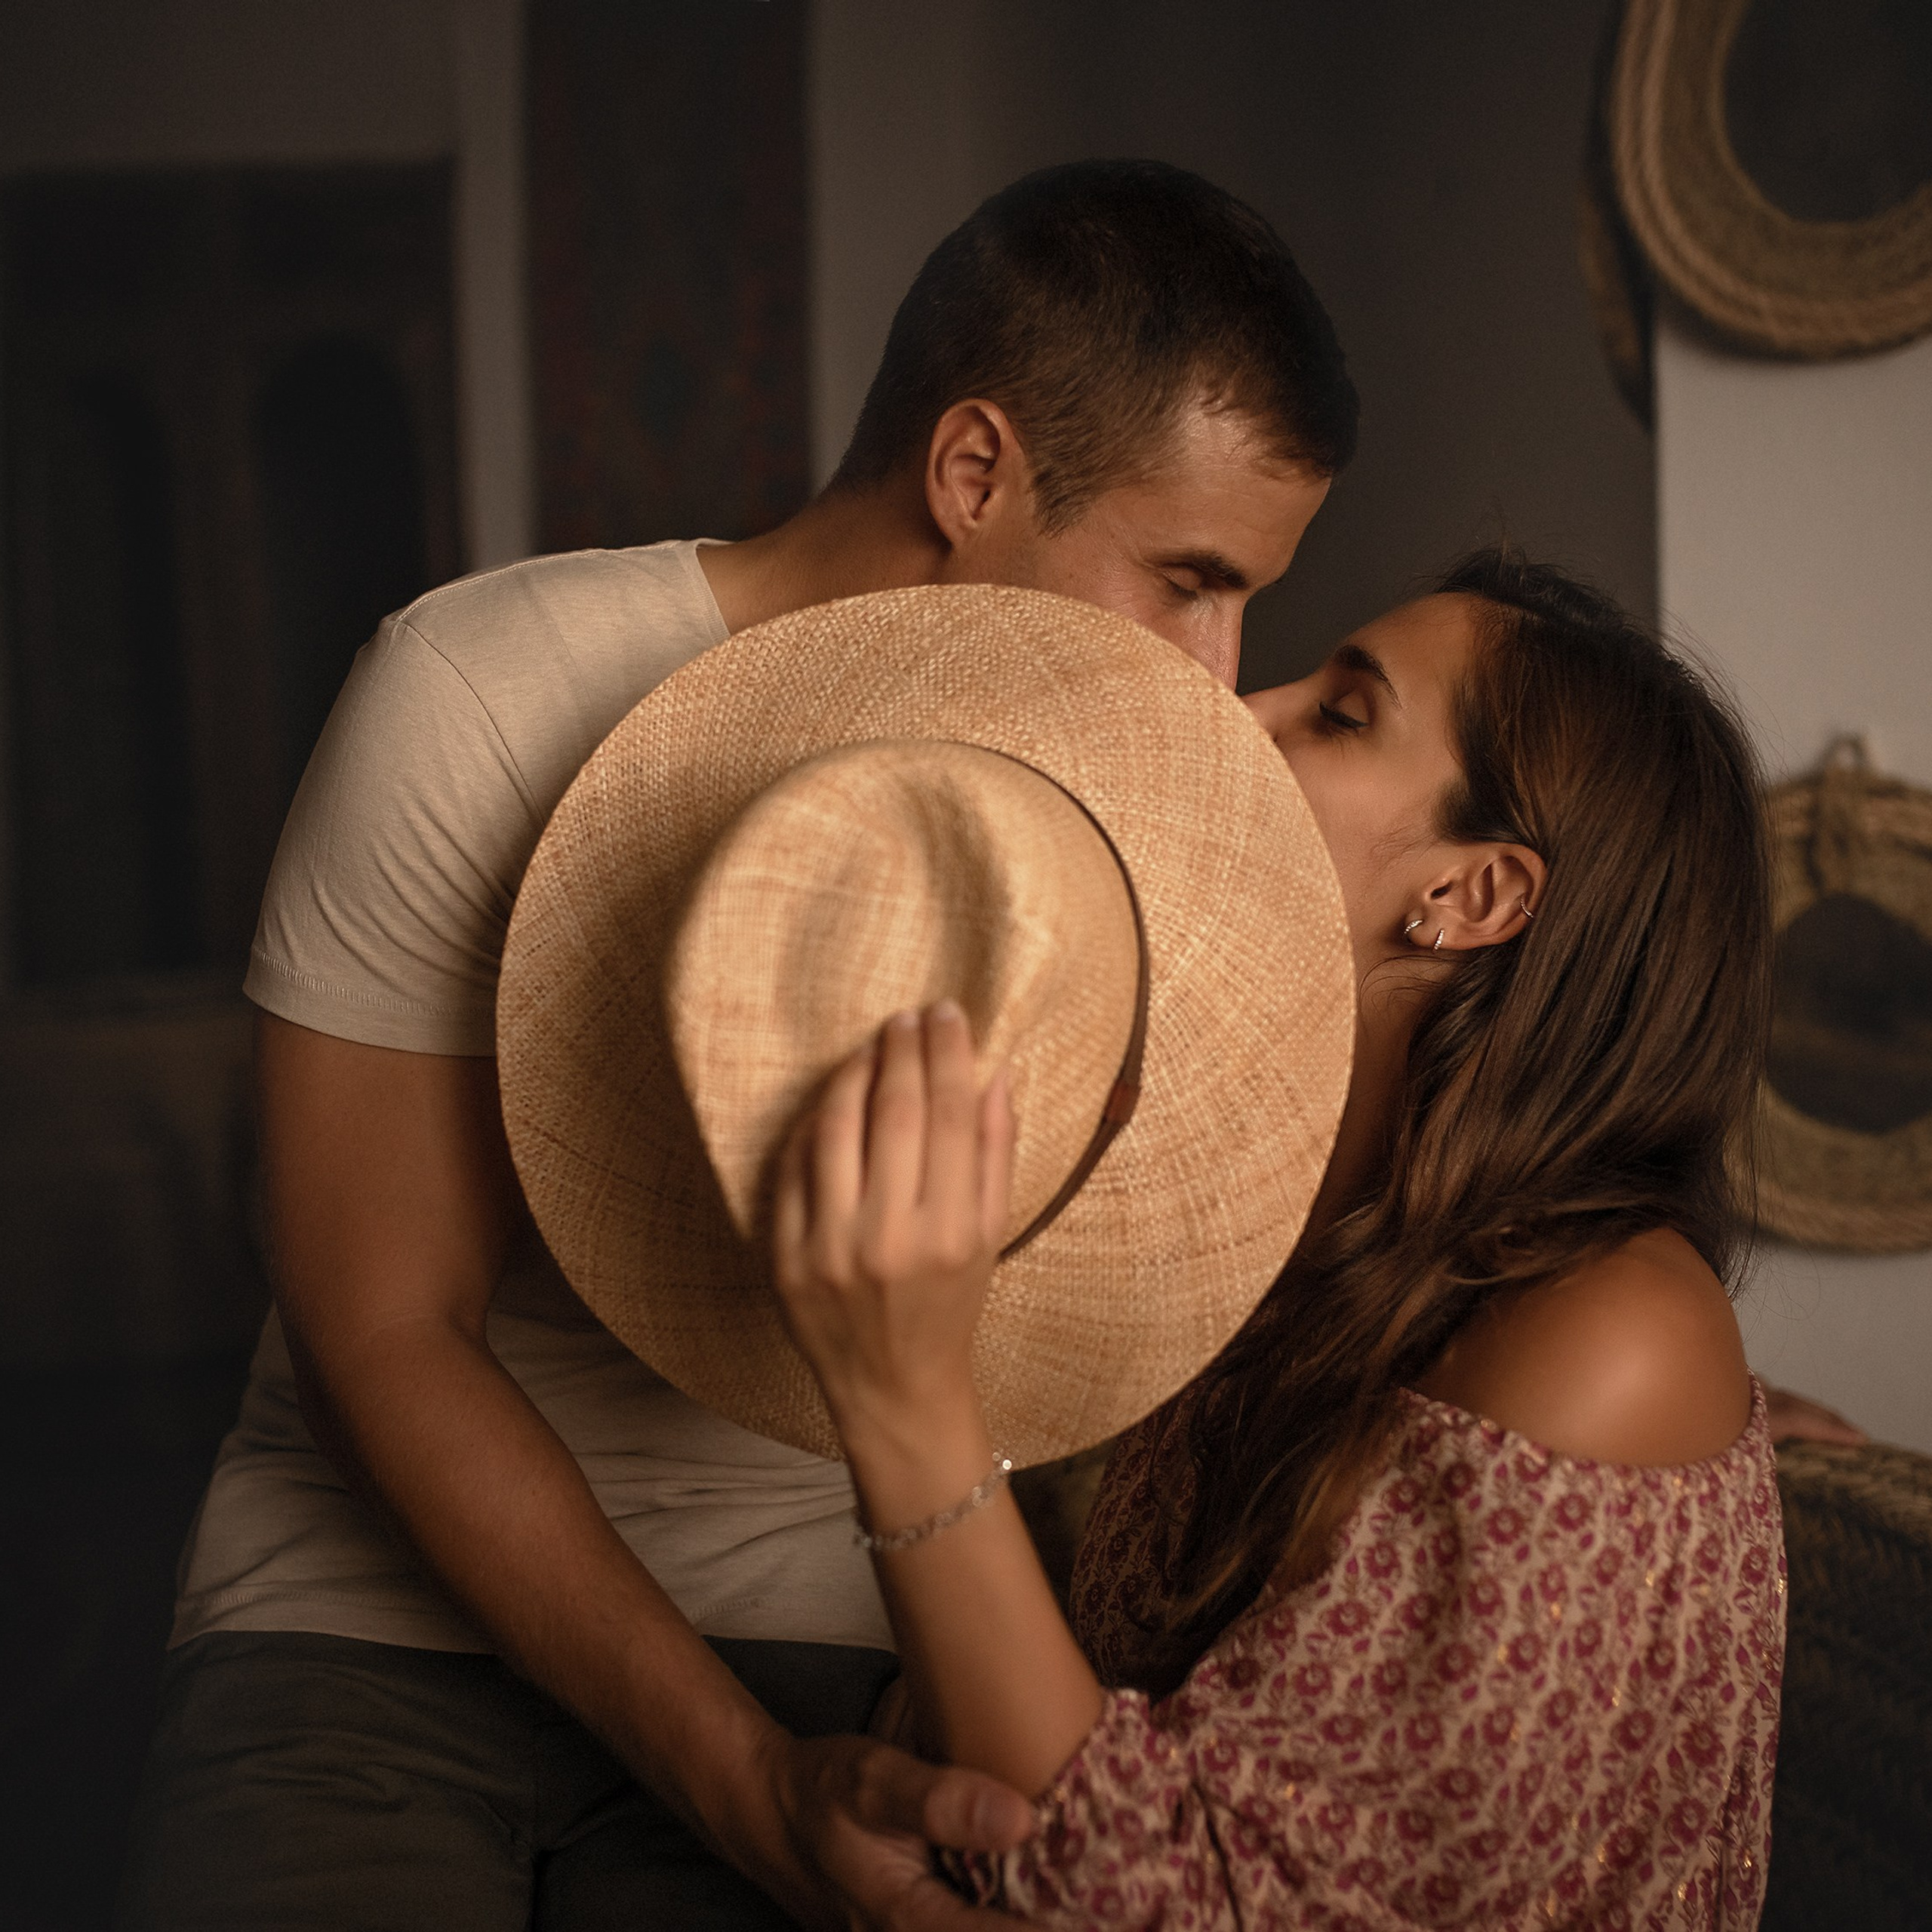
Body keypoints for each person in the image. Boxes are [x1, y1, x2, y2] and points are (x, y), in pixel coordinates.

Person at [118, 160, 1355, 1931]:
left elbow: (1144, 1283)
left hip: (814, 1628)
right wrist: (730, 1780)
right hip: (358, 1615)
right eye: (1187, 579)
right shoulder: (472, 693)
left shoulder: (1131, 818)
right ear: (974, 471)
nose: (1219, 670)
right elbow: (378, 1325)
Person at [771, 552, 1795, 1927]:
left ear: (1474, 896)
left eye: (1342, 712)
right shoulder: (1297, 1232)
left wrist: (901, 1405)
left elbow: (1205, 1902)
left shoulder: (1615, 1335)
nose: (1246, 706)